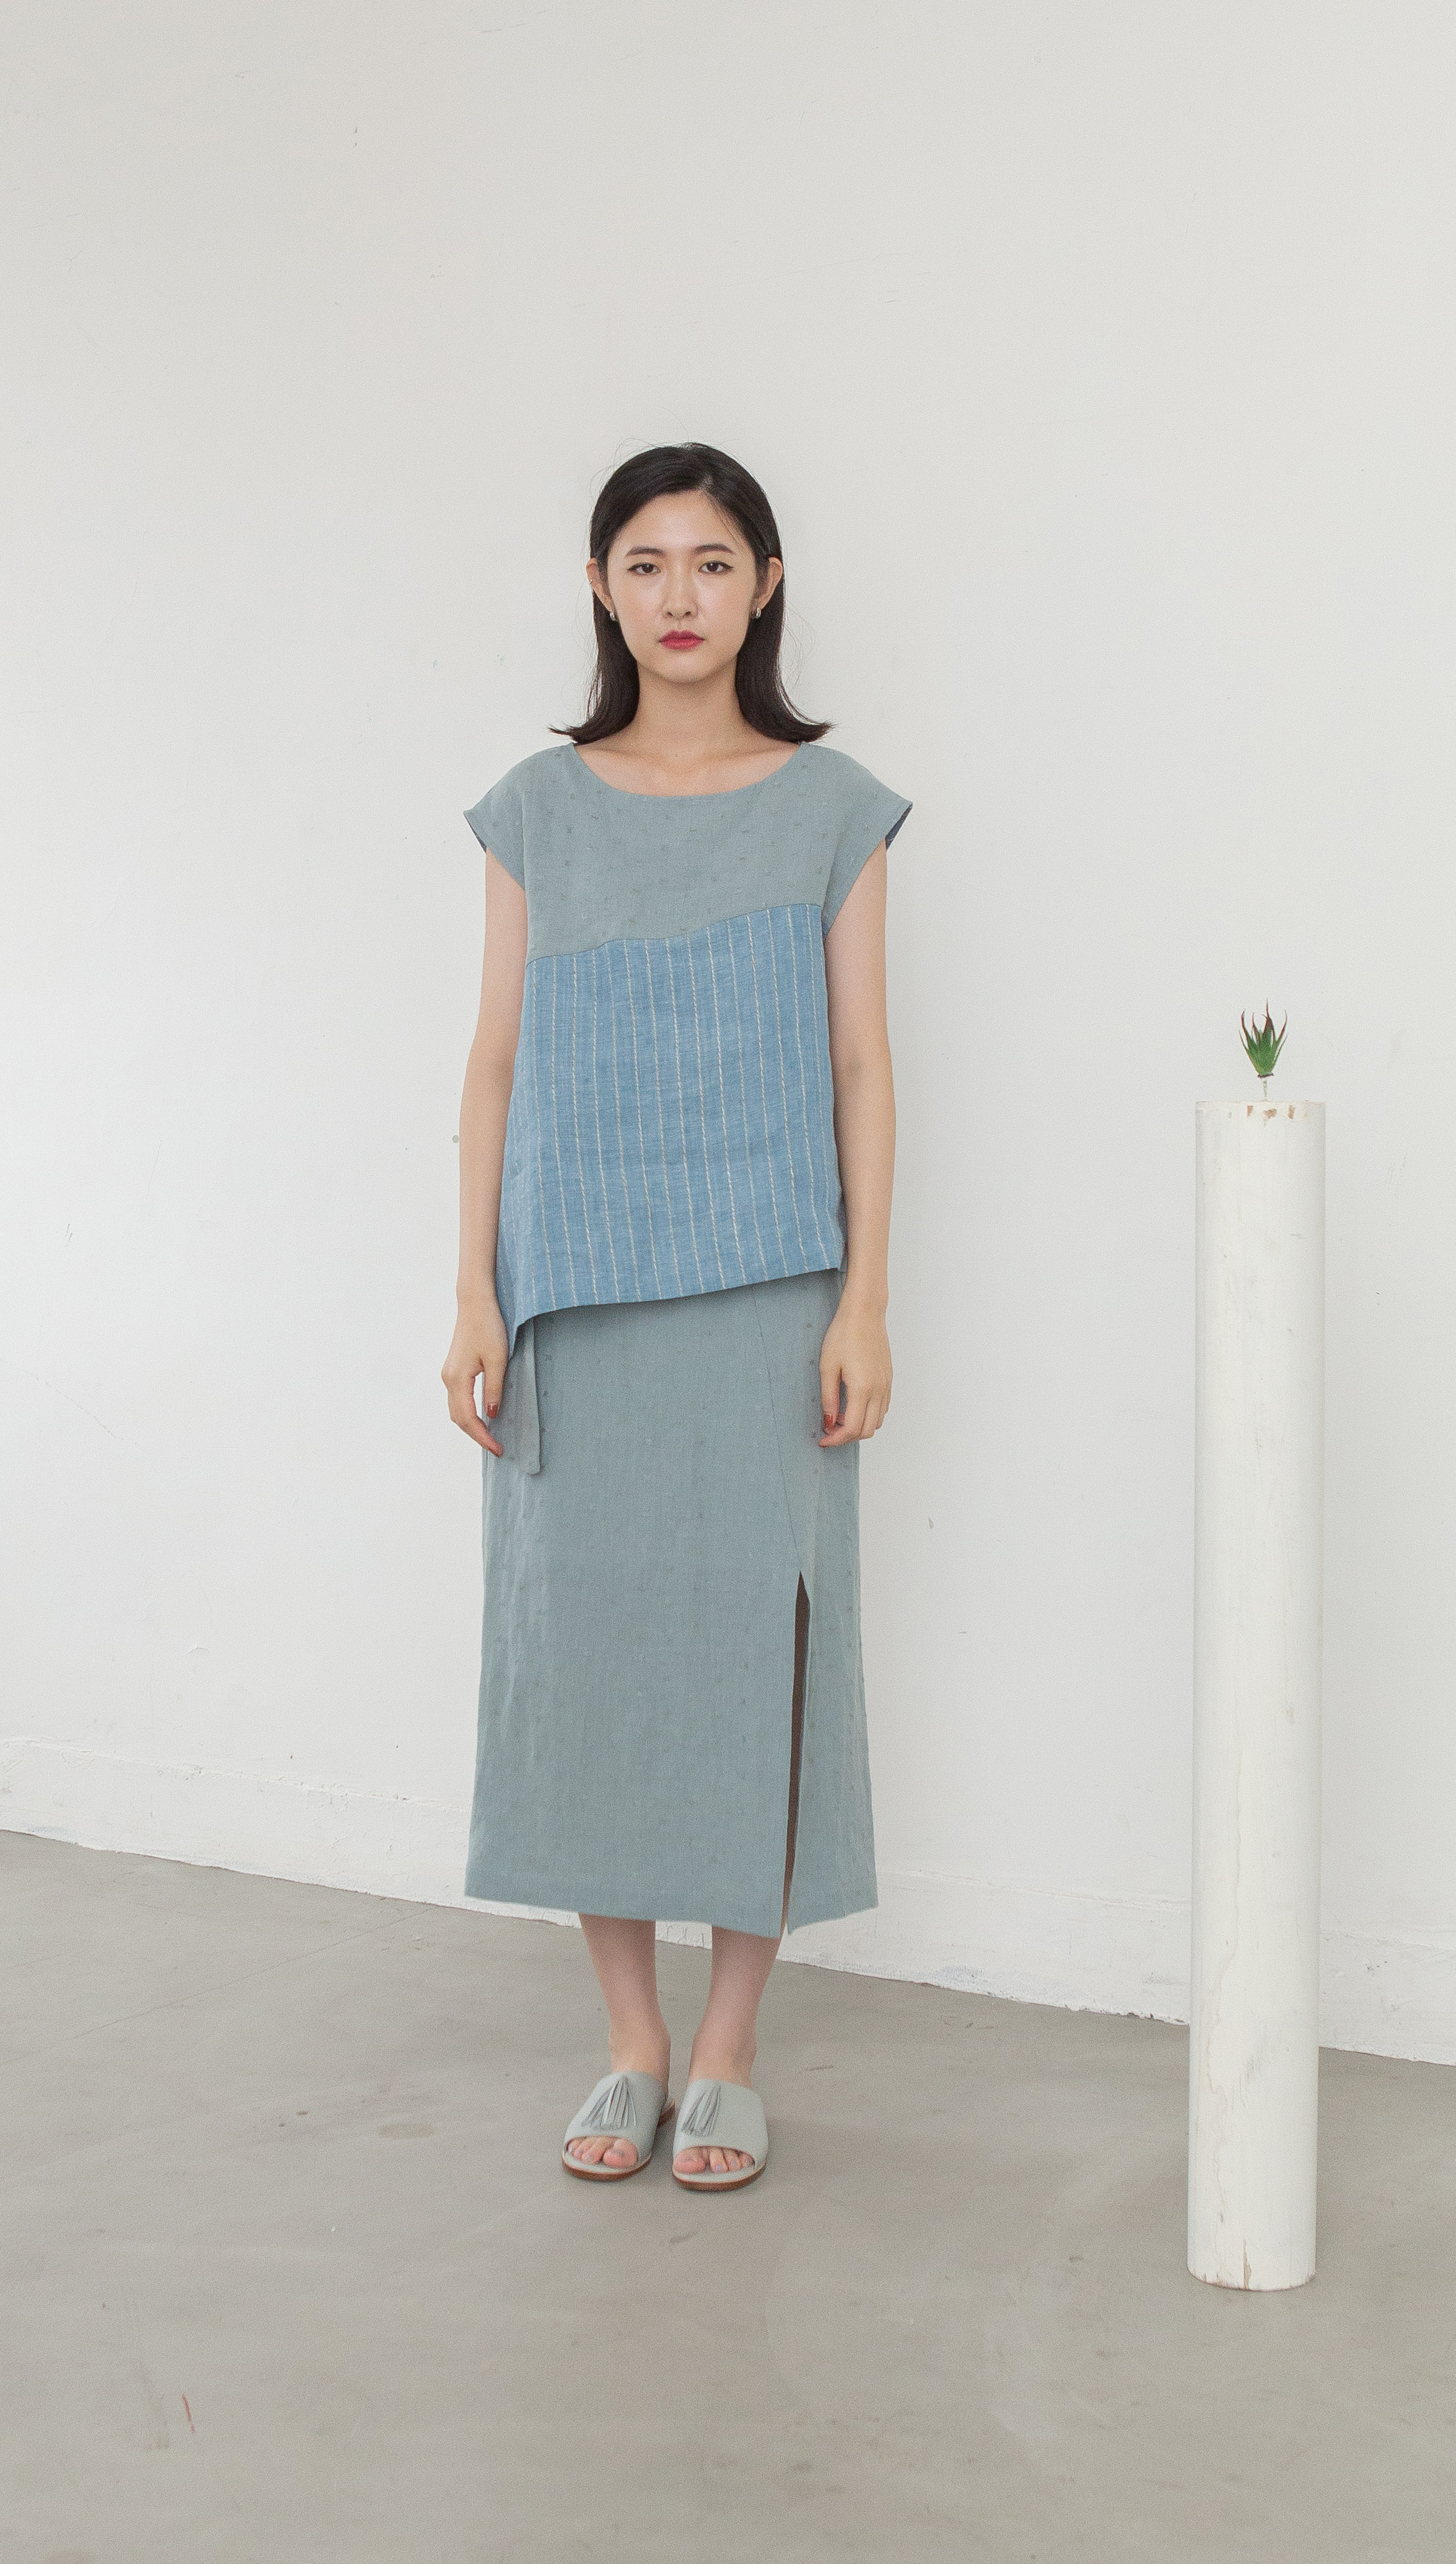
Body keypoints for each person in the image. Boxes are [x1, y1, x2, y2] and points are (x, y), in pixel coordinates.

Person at [442, 442, 910, 2192]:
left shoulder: (832, 807)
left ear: (763, 585)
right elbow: (492, 1065)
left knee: (755, 1659)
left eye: (712, 562)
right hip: (573, 1294)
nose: (680, 596)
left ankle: (729, 2047)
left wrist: (866, 1298)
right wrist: (473, 1290)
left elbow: (862, 1068)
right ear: (600, 589)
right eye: (645, 563)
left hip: (769, 1297)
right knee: (589, 1663)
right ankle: (631, 2039)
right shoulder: (534, 809)